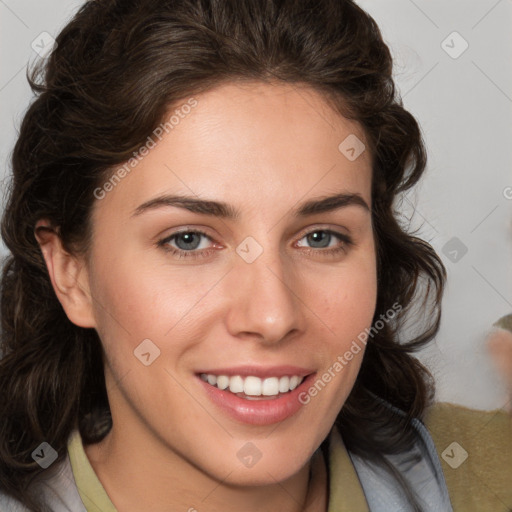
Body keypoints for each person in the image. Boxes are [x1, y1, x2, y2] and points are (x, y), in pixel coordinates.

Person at [0, 0, 510, 510]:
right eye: (188, 240)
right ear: (72, 273)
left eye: (320, 237)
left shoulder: (487, 474)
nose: (272, 316)